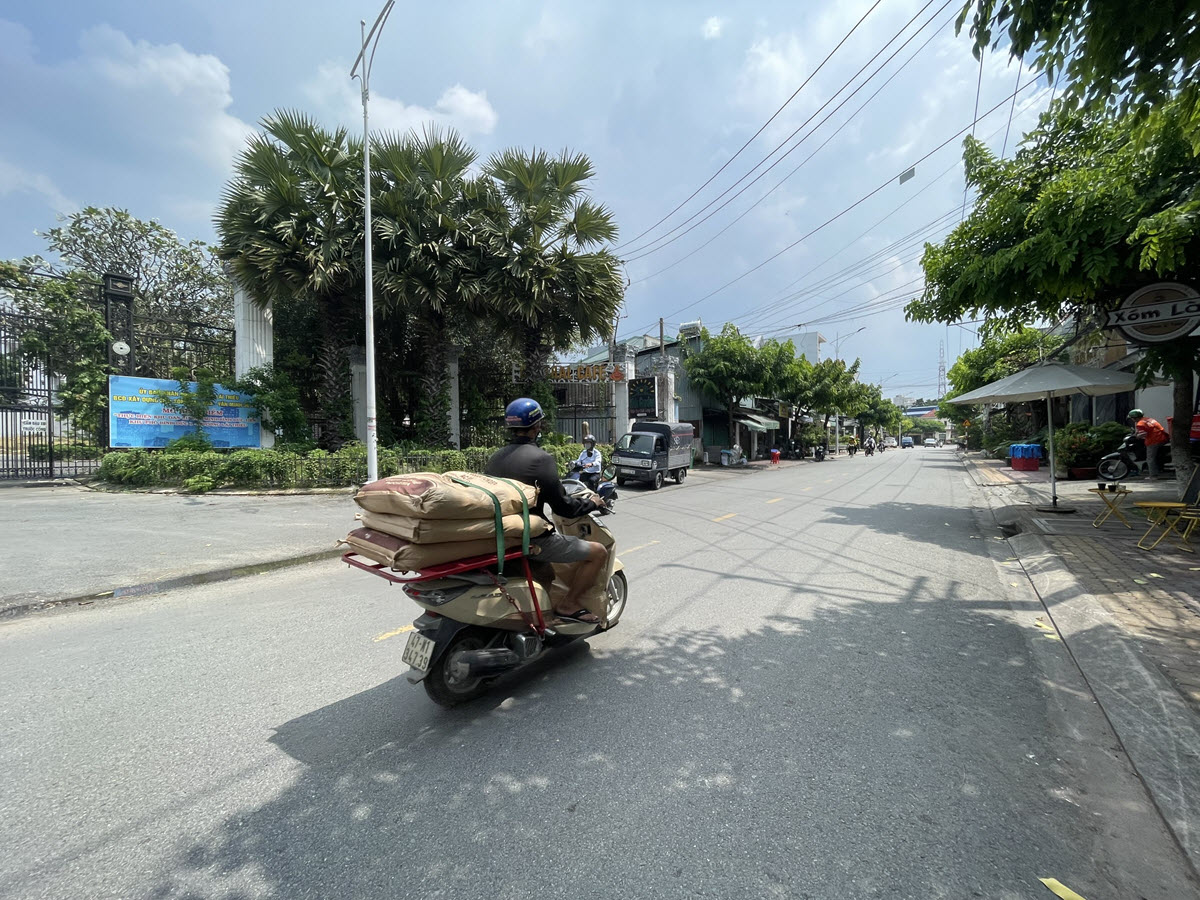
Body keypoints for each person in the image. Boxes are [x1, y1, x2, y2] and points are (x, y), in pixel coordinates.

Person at [486, 398, 609, 623]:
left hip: (502, 535)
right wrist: (594, 503)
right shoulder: (541, 459)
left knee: (547, 571)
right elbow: (564, 507)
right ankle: (569, 604)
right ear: (537, 427)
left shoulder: (495, 458)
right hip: (532, 538)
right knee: (598, 552)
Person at [1128, 408, 1169, 479]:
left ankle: (1153, 476)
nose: (1132, 419)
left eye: (1132, 418)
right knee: (1155, 456)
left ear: (1135, 418)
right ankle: (1159, 469)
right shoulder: (1149, 419)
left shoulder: (1140, 424)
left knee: (1150, 458)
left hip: (1154, 441)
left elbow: (1143, 434)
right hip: (1163, 438)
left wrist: (1137, 437)